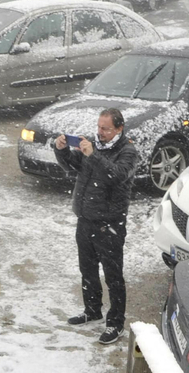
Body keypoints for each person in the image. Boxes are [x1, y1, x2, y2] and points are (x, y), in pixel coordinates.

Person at [53, 108, 140, 345]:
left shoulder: (128, 152)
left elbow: (116, 176)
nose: (100, 132)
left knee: (113, 276)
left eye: (106, 129)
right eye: (99, 127)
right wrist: (61, 150)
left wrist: (93, 155)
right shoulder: (94, 146)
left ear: (119, 129)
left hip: (109, 224)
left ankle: (116, 323)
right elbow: (72, 166)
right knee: (88, 270)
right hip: (85, 219)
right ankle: (92, 310)